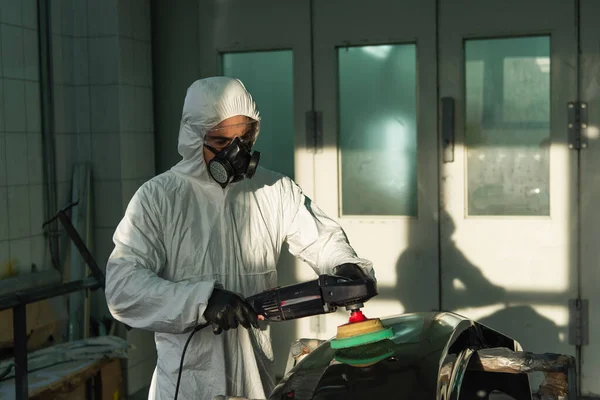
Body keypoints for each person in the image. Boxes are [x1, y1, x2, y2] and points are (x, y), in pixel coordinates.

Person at [104, 76, 375, 400]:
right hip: (185, 387)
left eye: (244, 139)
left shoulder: (273, 190)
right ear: (193, 138)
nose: (236, 154)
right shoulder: (160, 199)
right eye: (221, 143)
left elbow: (322, 239)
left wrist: (344, 264)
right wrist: (201, 302)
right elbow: (122, 288)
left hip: (253, 380)